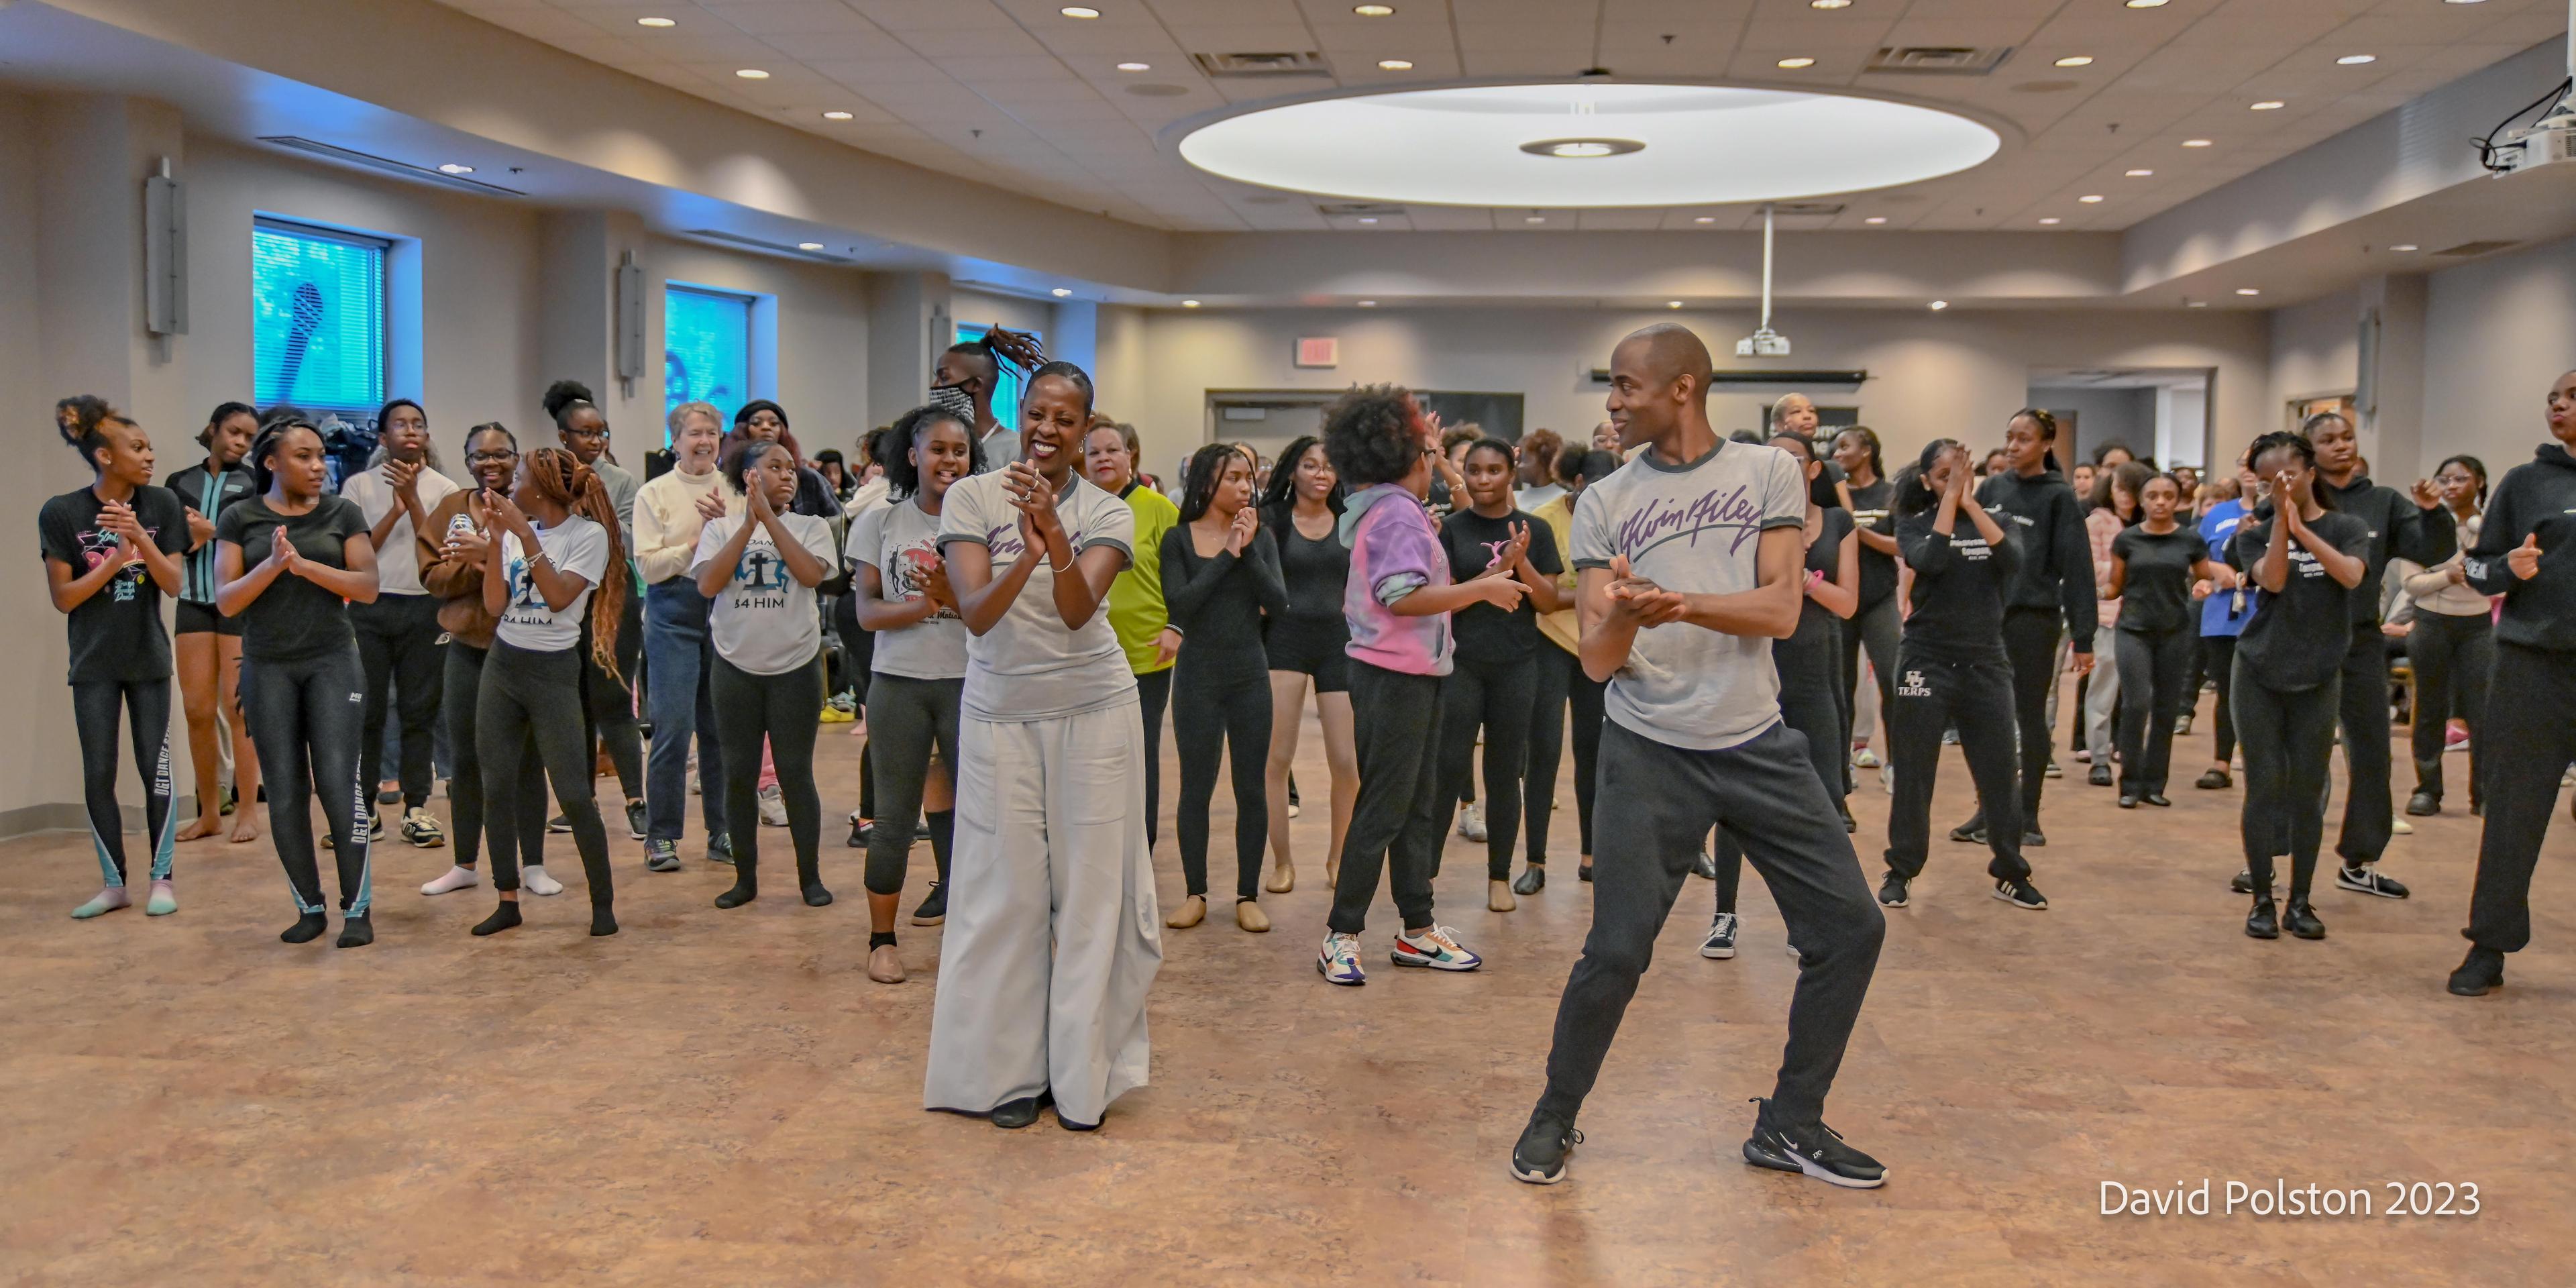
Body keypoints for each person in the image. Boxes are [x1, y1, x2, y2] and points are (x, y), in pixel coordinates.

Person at [1512, 325, 1885, 1189]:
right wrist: (1624, 615)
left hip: (1756, 741)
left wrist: (1679, 604)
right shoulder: (1605, 499)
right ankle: (1554, 1115)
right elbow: (1600, 661)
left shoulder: (1768, 473)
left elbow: (1782, 610)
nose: (1612, 403)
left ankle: (1790, 1124)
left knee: (1851, 929)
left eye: (1625, 386)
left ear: (1682, 387)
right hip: (1648, 750)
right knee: (1616, 951)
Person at [924, 360, 1161, 1132]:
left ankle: (1081, 1075)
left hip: (1094, 711)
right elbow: (977, 614)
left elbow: (1075, 609)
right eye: (1038, 413)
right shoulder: (970, 496)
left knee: (1092, 900)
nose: (1049, 429)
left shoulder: (1109, 512)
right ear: (1020, 415)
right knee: (1004, 897)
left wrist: (1055, 531)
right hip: (998, 715)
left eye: (1066, 418)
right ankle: (1007, 1075)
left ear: (1087, 428)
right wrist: (1024, 548)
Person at [1316, 387, 1523, 987]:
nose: (1436, 464)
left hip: (1415, 676)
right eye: (1429, 455)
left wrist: (1424, 441)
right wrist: (1483, 589)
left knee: (1417, 809)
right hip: (1393, 678)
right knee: (1385, 808)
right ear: (1406, 458)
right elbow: (1401, 596)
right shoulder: (1397, 512)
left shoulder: (1377, 503)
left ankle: (1416, 929)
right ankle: (1342, 933)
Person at [215, 417, 383, 947]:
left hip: (333, 662)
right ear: (271, 462)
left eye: (321, 457)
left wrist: (306, 567)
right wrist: (272, 565)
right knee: (285, 791)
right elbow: (227, 599)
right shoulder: (239, 517)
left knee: (338, 783)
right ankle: (309, 907)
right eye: (304, 457)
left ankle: (358, 909)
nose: (318, 467)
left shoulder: (343, 513)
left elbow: (369, 586)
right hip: (268, 667)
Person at [1702, 429, 1859, 960]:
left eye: (1795, 459)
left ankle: (1811, 922)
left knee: (1826, 803)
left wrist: (1801, 580)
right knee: (1736, 805)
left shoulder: (1837, 522)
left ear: (1815, 469)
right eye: (1775, 459)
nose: (1785, 466)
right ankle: (1725, 915)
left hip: (1815, 677)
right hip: (1756, 676)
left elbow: (1847, 605)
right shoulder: (1745, 521)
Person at [462, 445, 625, 938]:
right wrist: (496, 543)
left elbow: (557, 599)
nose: (511, 485)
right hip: (504, 665)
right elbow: (494, 605)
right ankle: (507, 898)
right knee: (496, 786)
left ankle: (603, 906)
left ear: (543, 488)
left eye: (520, 478)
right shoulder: (515, 534)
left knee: (574, 793)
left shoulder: (588, 536)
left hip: (553, 671)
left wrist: (521, 533)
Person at [2451, 370, 2576, 995]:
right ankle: (2489, 948)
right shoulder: (2526, 483)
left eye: (2573, 396)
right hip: (2535, 667)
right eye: (2554, 397)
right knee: (2515, 812)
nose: (2559, 405)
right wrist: (2507, 566)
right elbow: (2477, 568)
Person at [1881, 440, 2043, 912]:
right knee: (1914, 771)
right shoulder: (1912, 523)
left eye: (1961, 472)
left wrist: (1968, 501)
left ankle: (2011, 871)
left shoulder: (1999, 519)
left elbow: (2014, 562)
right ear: (1926, 480)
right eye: (1943, 475)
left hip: (1986, 662)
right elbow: (1929, 561)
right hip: (1926, 660)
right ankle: (1902, 868)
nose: (1954, 480)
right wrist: (1950, 503)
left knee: (1999, 773)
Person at [44, 398, 189, 920]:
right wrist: (115, 563)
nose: (150, 455)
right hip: (93, 664)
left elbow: (174, 583)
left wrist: (135, 538)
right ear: (105, 456)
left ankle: (162, 879)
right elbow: (65, 598)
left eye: (150, 446)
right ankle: (114, 884)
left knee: (159, 772)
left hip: (149, 659)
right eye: (138, 447)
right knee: (98, 773)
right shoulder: (62, 512)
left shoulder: (163, 505)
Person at [852, 405, 980, 983]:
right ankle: (882, 940)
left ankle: (972, 931)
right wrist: (925, 605)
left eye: (959, 450)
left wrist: (956, 601)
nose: (949, 460)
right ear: (913, 456)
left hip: (969, 685)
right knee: (896, 818)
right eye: (938, 449)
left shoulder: (985, 524)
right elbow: (866, 614)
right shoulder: (880, 522)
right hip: (899, 686)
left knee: (979, 815)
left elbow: (993, 614)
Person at [2226, 431, 2369, 941]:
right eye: (2266, 483)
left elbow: (2351, 576)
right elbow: (2276, 580)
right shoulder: (2250, 534)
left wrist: (2299, 525)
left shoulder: (2348, 526)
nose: (2275, 489)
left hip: (2319, 673)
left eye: (2285, 477)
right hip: (2258, 670)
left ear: (2310, 472)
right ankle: (2263, 900)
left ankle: (2302, 901)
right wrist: (2280, 525)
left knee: (2308, 792)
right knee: (2264, 786)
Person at [2306, 412, 2455, 898]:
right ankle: (2274, 858)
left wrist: (2432, 512)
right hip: (2300, 641)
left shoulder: (2383, 502)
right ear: (2310, 451)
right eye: (2328, 440)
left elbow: (2433, 549)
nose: (2341, 446)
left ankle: (2358, 861)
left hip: (2361, 641)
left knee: (2371, 753)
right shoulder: (2298, 499)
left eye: (2347, 437)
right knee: (2298, 756)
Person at [694, 437, 840, 911]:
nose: (788, 475)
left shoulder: (812, 526)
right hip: (734, 668)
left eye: (791, 468)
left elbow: (811, 575)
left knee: (796, 773)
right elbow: (708, 584)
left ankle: (809, 878)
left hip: (794, 669)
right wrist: (748, 524)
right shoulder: (720, 529)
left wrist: (770, 520)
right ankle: (745, 879)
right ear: (748, 476)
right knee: (739, 774)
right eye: (774, 467)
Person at [415, 424, 551, 898]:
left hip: (526, 650)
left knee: (528, 758)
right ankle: (465, 864)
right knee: (466, 758)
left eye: (501, 455)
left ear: (517, 458)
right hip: (468, 651)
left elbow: (544, 576)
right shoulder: (452, 510)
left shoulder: (536, 507)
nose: (490, 464)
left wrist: (488, 554)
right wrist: (477, 564)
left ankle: (532, 864)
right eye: (479, 456)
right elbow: (432, 575)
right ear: (466, 460)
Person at [1160, 443, 1291, 932]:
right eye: (1233, 477)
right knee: (1196, 788)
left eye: (1247, 478)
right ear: (1206, 483)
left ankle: (1245, 894)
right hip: (1198, 675)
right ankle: (1195, 893)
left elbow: (1279, 603)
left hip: (1249, 673)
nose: (1244, 486)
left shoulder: (1262, 538)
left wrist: (1248, 549)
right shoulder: (1178, 539)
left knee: (1250, 786)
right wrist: (1227, 554)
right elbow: (1182, 604)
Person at [1436, 437, 1565, 914]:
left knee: (1505, 772)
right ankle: (1424, 876)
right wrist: (1495, 575)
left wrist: (1521, 561)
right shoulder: (1451, 529)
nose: (1483, 479)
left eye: (1494, 470)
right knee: (1448, 767)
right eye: (1474, 471)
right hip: (1463, 663)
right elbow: (1441, 598)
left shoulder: (1537, 528)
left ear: (1511, 473)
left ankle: (1498, 877)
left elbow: (1548, 601)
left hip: (1518, 665)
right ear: (1463, 474)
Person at [1953, 411, 2094, 849]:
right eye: (2009, 438)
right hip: (1986, 618)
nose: (2014, 446)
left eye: (2025, 439)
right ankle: (1989, 810)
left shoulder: (2059, 497)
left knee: (2028, 716)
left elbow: (2078, 569)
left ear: (2047, 444)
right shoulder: (1992, 489)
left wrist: (2084, 636)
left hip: (2035, 617)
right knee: (1984, 717)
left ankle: (2028, 815)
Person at [340, 398, 459, 849]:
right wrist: (395, 507)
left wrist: (414, 502)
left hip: (425, 609)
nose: (410, 431)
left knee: (420, 710)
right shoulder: (358, 486)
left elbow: (440, 549)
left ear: (426, 436)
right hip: (370, 610)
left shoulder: (446, 488)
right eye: (400, 425)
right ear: (383, 437)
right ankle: (365, 808)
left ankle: (416, 807)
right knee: (368, 712)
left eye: (418, 425)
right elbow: (359, 552)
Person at [631, 401, 738, 872]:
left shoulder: (737, 488)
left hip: (726, 614)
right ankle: (661, 836)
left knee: (720, 732)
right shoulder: (654, 493)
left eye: (712, 433)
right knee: (673, 729)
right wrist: (699, 541)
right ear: (676, 440)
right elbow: (649, 566)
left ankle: (723, 830)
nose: (704, 442)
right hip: (672, 613)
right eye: (694, 433)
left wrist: (727, 530)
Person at [544, 382, 647, 840]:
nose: (595, 440)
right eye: (585, 433)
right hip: (566, 603)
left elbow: (623, 540)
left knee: (613, 702)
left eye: (601, 432)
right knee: (573, 706)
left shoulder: (620, 481)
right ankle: (578, 804)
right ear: (563, 436)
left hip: (612, 603)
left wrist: (588, 509)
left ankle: (636, 801)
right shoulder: (546, 477)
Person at [2101, 473, 2235, 808]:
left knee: (2165, 710)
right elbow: (2114, 587)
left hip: (2175, 630)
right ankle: (2130, 784)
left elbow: (2203, 579)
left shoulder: (2190, 541)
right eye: (2153, 496)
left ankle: (2154, 784)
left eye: (2167, 496)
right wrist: (2087, 589)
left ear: (2177, 501)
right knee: (2136, 704)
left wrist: (2205, 587)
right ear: (2141, 501)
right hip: (2133, 630)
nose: (2160, 501)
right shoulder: (2127, 540)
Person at [1258, 435, 1354, 893]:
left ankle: (1339, 858)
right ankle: (1283, 862)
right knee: (1276, 759)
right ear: (1292, 471)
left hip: (1339, 642)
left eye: (1328, 466)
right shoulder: (1271, 520)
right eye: (1311, 465)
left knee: (1346, 762)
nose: (1321, 473)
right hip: (1286, 641)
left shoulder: (1351, 520)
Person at [1519, 447, 1617, 894]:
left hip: (1596, 644)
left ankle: (1591, 855)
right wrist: (1581, 595)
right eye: (1592, 487)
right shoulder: (1543, 519)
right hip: (1550, 642)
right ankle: (1535, 860)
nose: (1601, 495)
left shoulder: (1621, 518)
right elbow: (1539, 596)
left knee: (1592, 751)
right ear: (1575, 482)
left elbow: (1617, 591)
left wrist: (1569, 594)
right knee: (1543, 749)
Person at [165, 401, 261, 845]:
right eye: (234, 432)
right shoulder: (178, 483)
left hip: (237, 605)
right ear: (213, 430)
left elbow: (258, 542)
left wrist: (212, 533)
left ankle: (247, 812)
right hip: (193, 603)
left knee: (237, 708)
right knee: (197, 710)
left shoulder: (256, 481)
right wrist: (194, 539)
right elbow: (169, 544)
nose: (241, 442)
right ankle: (208, 812)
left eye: (248, 436)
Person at [1086, 419, 1179, 857]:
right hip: (1085, 651)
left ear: (1131, 456)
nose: (1104, 458)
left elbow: (1181, 578)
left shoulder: (1159, 508)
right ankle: (1099, 840)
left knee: (1140, 751)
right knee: (1094, 752)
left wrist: (1173, 626)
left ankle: (1142, 843)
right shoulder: (1074, 507)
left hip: (1146, 650)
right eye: (1094, 452)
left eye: (1112, 450)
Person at [2401, 455, 2491, 816]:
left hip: (2479, 625)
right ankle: (2427, 789)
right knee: (2429, 709)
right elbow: (2411, 583)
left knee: (2481, 711)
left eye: (2461, 478)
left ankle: (2483, 794)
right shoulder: (2419, 527)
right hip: (2431, 624)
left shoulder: (2492, 526)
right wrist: (2448, 577)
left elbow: (2504, 573)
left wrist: (2481, 574)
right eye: (2445, 479)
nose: (2452, 485)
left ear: (2480, 483)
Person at [1831, 427, 1900, 785]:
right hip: (1842, 600)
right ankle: (1842, 767)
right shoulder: (1832, 495)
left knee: (1892, 677)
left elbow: (1902, 545)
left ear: (1867, 450)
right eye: (1835, 448)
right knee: (1841, 686)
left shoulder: (1889, 494)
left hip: (1879, 600)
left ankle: (1896, 764)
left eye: (1845, 446)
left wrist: (1861, 534)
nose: (1837, 453)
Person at [2078, 462, 2151, 786]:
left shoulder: (2152, 524)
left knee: (2139, 695)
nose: (2124, 496)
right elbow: (2089, 569)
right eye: (2119, 488)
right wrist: (2129, 564)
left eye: (2131, 489)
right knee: (2103, 687)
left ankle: (2134, 757)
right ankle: (2098, 758)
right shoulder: (2097, 522)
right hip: (2107, 614)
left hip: (2145, 616)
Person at [2193, 465, 2257, 790]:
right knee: (2228, 691)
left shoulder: (2282, 512)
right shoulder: (2218, 514)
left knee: (2262, 694)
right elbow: (2194, 559)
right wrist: (2213, 567)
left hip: (2266, 615)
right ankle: (2222, 762)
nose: (2250, 471)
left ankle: (2258, 760)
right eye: (2245, 464)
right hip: (2222, 616)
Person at [934, 328, 1044, 474]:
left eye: (944, 378)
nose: (935, 386)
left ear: (975, 385)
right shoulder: (934, 446)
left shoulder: (1016, 450)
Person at [1514, 428, 1566, 510]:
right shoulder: (1514, 497)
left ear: (1544, 461)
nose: (1519, 466)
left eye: (1525, 460)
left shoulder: (1564, 500)